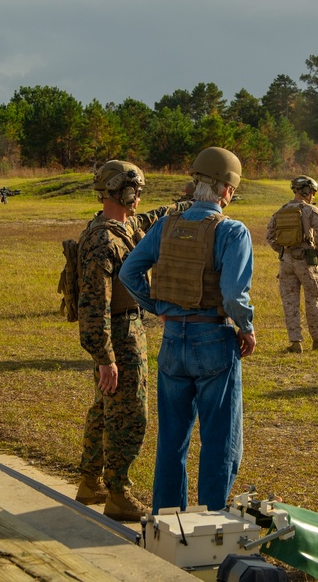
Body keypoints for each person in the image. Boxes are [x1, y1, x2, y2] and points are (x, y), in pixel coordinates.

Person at [119, 146, 256, 513]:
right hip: (214, 338)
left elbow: (129, 272)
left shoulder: (166, 224)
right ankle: (210, 523)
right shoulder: (233, 231)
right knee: (221, 442)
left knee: (172, 442)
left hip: (171, 342)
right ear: (227, 189)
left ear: (195, 184)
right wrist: (247, 328)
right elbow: (232, 294)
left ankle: (166, 522)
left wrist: (159, 308)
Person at [75, 161, 190, 522]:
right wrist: (105, 356)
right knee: (129, 414)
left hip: (126, 329)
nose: (140, 197)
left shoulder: (122, 226)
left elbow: (153, 217)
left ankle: (90, 480)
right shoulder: (103, 240)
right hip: (119, 334)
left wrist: (184, 205)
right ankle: (118, 493)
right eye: (136, 191)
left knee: (105, 407)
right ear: (123, 191)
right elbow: (93, 304)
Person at [266, 175, 318, 353]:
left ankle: (295, 342)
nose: (313, 196)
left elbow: (269, 237)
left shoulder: (281, 211)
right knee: (314, 299)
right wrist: (317, 255)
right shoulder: (311, 210)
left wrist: (282, 251)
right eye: (312, 192)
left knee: (290, 302)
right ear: (306, 191)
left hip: (286, 262)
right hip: (306, 260)